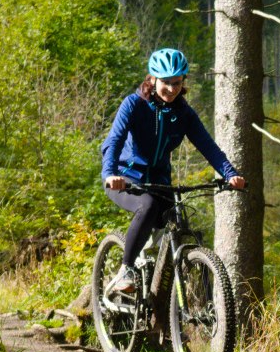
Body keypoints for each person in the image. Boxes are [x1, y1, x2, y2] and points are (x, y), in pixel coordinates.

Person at [100, 48, 246, 293]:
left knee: (175, 221)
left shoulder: (183, 113)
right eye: (165, 82)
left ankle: (161, 297)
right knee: (147, 207)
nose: (171, 88)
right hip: (126, 178)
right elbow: (114, 141)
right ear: (152, 79)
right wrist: (110, 174)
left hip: (160, 181)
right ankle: (126, 269)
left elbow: (208, 146)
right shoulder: (134, 104)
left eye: (177, 82)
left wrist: (230, 174)